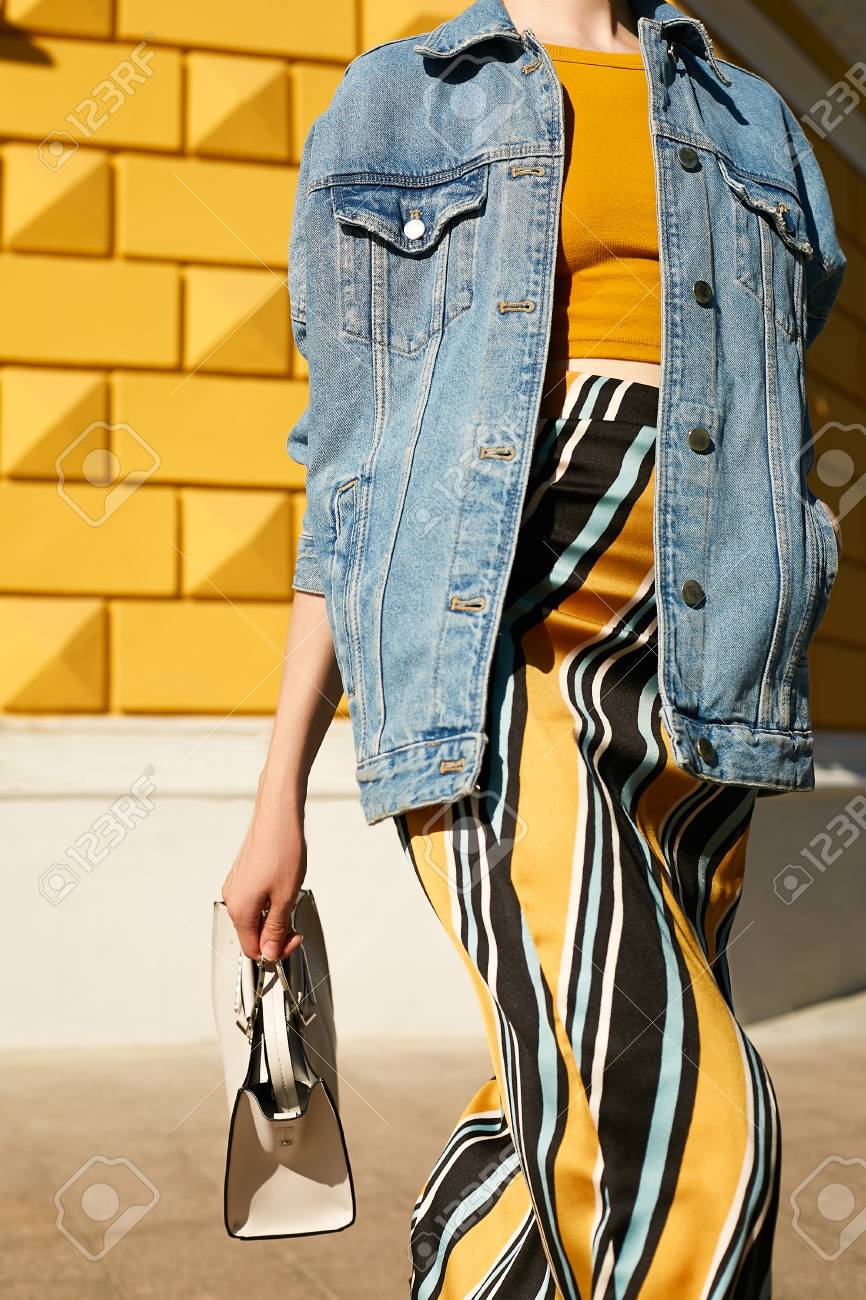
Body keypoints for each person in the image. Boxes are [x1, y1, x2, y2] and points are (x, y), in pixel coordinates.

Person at [222, 0, 846, 1293]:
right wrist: (272, 794)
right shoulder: (397, 100)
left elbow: (776, 387)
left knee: (567, 1089)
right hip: (490, 650)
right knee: (685, 1111)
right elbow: (346, 467)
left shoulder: (755, 121)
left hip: (701, 665)